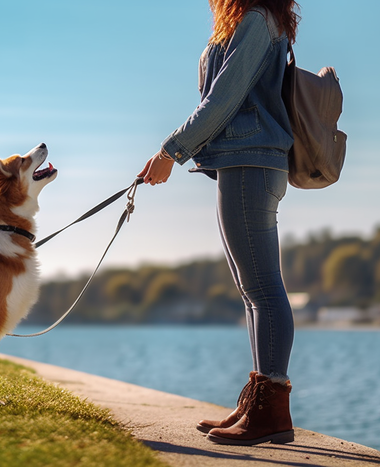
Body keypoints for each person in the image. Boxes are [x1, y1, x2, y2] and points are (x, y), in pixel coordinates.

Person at [137, 0, 300, 446]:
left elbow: (224, 97)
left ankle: (272, 410)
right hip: (242, 163)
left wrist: (171, 151)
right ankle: (258, 402)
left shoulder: (256, 21)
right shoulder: (254, 19)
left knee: (264, 288)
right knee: (254, 290)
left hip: (252, 164)